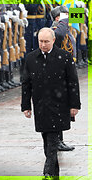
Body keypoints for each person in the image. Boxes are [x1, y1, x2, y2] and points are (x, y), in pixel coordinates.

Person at [21, 27, 81, 178]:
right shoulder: (31, 58)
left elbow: (72, 82)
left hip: (60, 105)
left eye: (46, 41)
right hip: (41, 105)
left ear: (53, 40)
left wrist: (75, 105)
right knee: (47, 141)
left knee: (53, 140)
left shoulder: (65, 57)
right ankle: (54, 175)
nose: (43, 44)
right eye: (40, 41)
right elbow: (26, 84)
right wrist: (26, 106)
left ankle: (47, 172)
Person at [50, 5, 76, 151]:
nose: (68, 17)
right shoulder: (53, 30)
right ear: (58, 18)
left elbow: (79, 19)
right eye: (65, 15)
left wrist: (79, 9)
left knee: (64, 108)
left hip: (66, 72)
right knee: (57, 108)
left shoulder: (64, 27)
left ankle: (59, 140)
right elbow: (58, 36)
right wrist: (63, 20)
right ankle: (56, 141)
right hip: (57, 74)